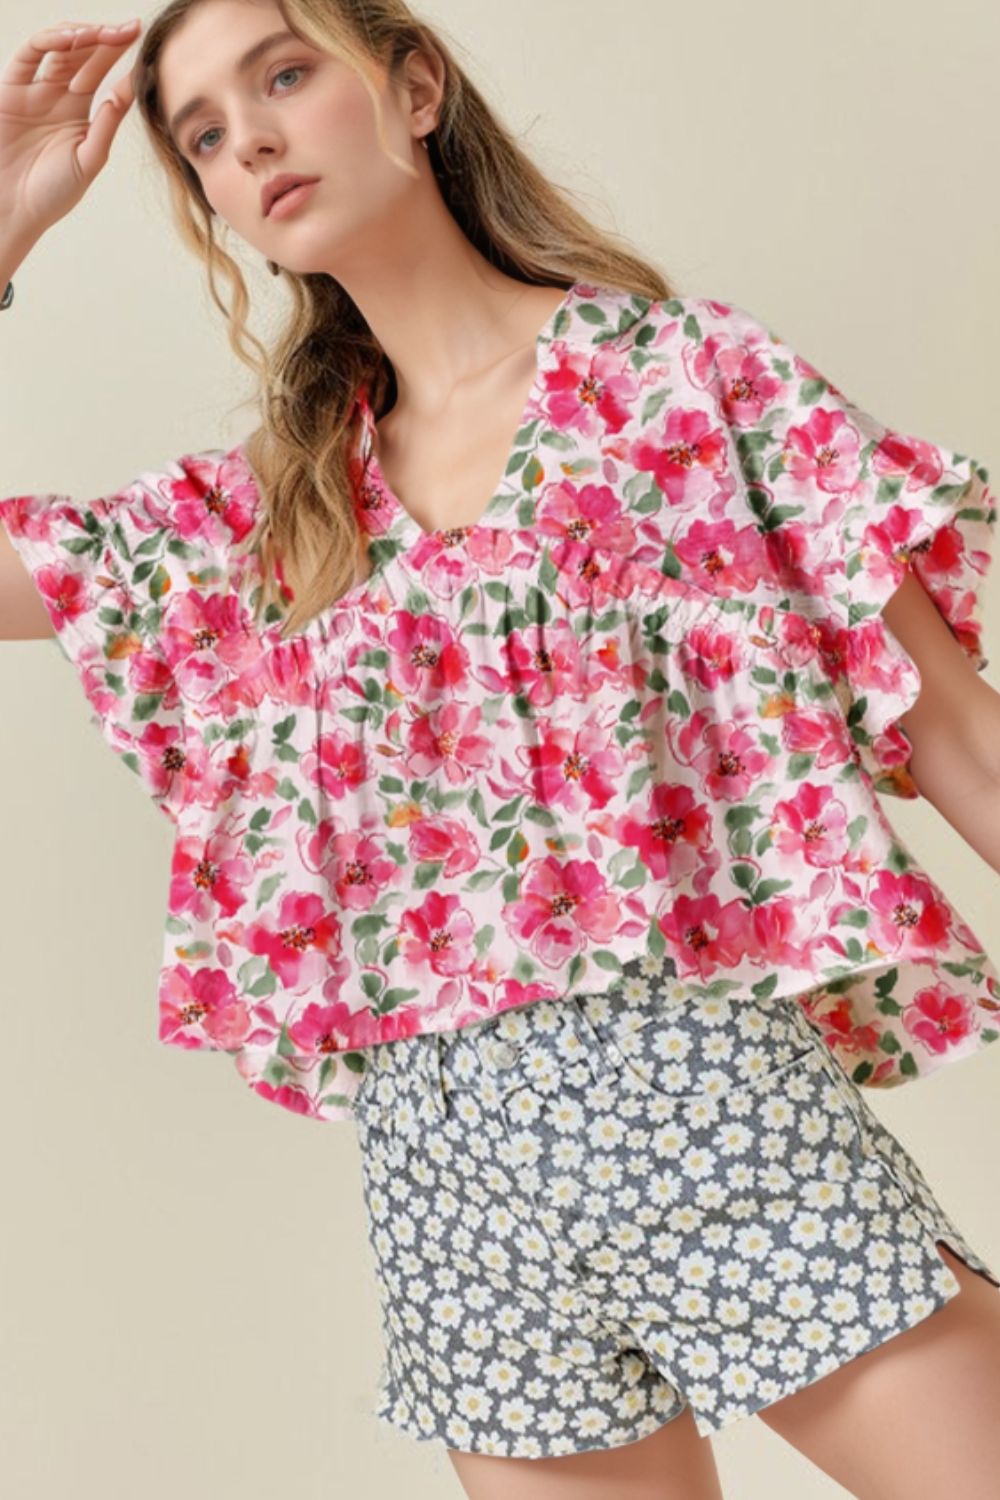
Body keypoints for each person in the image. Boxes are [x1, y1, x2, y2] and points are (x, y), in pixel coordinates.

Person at [2, 4, 1000, 1496]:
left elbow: (962, 735)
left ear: (414, 87)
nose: (250, 139)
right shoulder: (267, 521)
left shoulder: (680, 382)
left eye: (284, 74)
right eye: (203, 134)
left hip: (713, 1127)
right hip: (455, 1221)